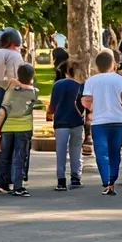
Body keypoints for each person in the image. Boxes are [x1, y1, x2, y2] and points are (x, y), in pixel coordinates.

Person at [82, 50, 122, 196]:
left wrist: (94, 107)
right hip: (117, 120)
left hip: (99, 122)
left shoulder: (91, 81)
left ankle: (106, 180)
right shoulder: (121, 80)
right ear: (113, 64)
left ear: (97, 66)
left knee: (101, 152)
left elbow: (86, 101)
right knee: (114, 152)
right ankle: (112, 180)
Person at [0, 63, 40, 196]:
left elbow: (3, 109)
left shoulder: (11, 90)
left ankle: (3, 183)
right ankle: (18, 186)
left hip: (7, 128)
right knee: (20, 157)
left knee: (5, 156)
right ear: (32, 77)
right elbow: (29, 88)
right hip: (24, 129)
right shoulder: (34, 92)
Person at [0, 28, 23, 192]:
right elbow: (17, 77)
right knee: (11, 140)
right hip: (10, 96)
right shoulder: (14, 55)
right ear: (14, 42)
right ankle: (6, 179)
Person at [47, 59, 86, 191]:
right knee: (76, 149)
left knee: (61, 151)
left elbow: (52, 105)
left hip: (61, 122)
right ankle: (76, 176)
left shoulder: (57, 85)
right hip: (76, 121)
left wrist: (49, 114)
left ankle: (61, 180)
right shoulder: (80, 86)